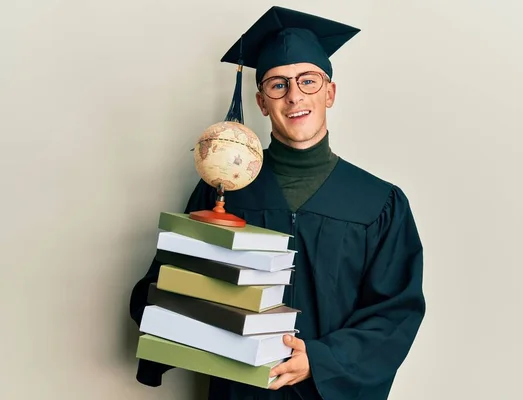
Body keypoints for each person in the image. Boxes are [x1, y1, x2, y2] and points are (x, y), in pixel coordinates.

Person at [129, 5, 426, 400]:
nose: (295, 96)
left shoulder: (379, 202)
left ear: (330, 93)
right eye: (278, 84)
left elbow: (395, 314)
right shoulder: (222, 191)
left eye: (309, 81)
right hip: (241, 391)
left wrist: (319, 360)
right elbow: (167, 286)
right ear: (262, 101)